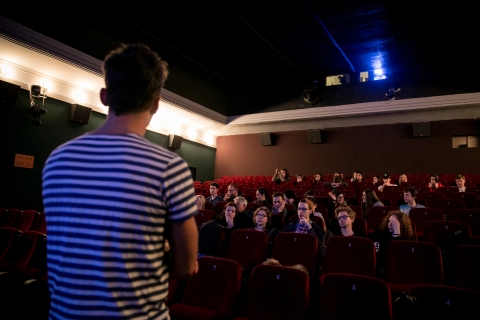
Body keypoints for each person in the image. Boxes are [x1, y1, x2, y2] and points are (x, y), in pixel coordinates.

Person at [42, 43, 198, 319]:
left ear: (104, 96)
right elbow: (186, 266)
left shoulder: (57, 159)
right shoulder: (169, 167)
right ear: (156, 103)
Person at [373, 210, 414, 275]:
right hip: (382, 265)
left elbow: (401, 257)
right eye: (389, 221)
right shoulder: (381, 234)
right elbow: (378, 254)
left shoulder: (407, 238)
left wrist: (397, 232)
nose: (390, 224)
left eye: (394, 223)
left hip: (400, 267)